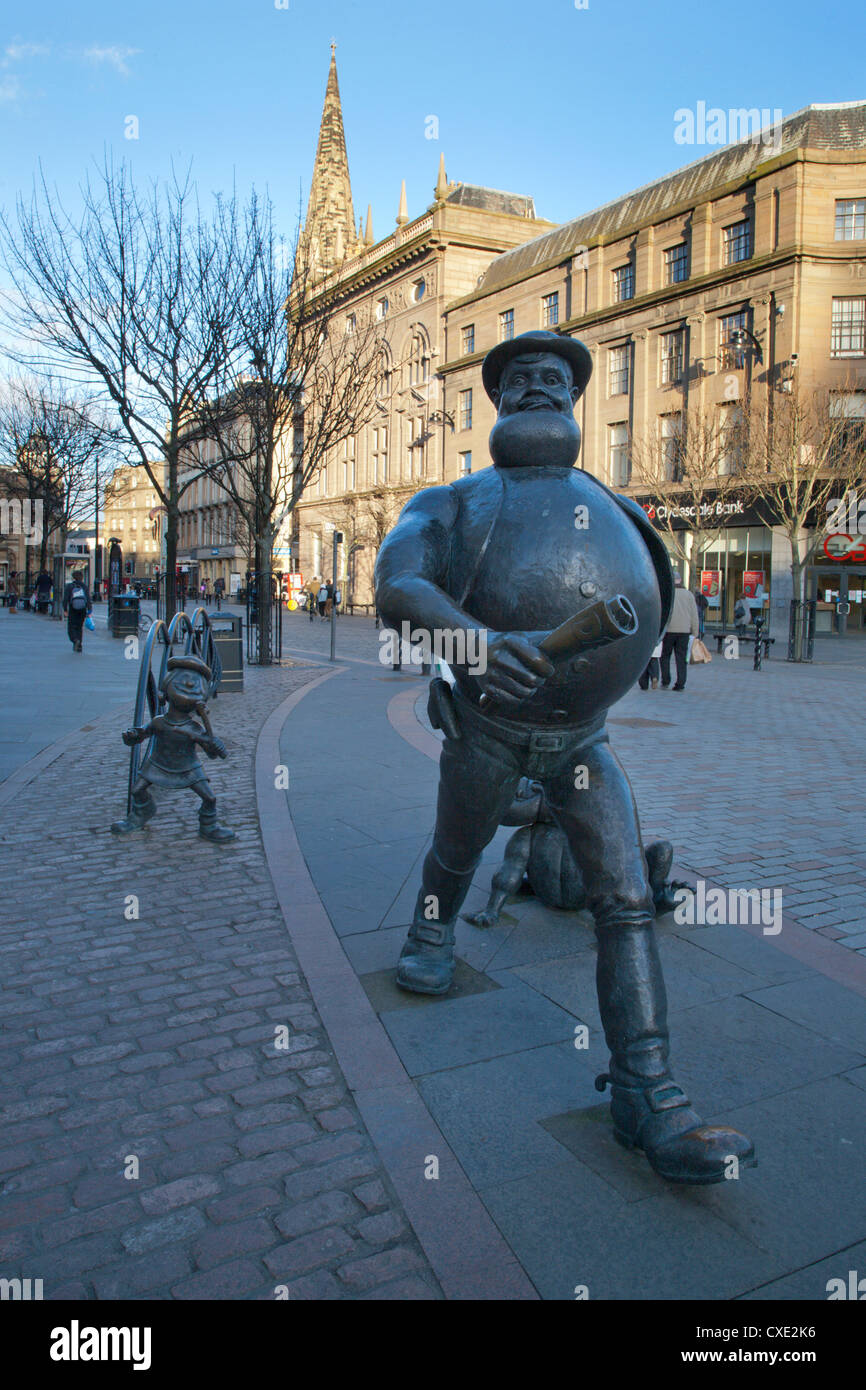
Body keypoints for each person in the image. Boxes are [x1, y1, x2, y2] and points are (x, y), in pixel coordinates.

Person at [375, 328, 753, 1185]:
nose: (542, 387)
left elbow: (650, 597)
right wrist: (473, 644)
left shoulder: (616, 506)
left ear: (576, 402)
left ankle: (647, 1093)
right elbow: (397, 587)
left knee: (623, 899)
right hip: (489, 727)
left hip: (585, 739)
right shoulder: (452, 500)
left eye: (557, 379)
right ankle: (430, 930)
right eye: (523, 379)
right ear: (499, 400)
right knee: (457, 849)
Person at [660, 574, 699, 691]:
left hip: (669, 630)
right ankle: (680, 683)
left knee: (665, 656)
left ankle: (666, 680)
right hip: (684, 631)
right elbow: (694, 614)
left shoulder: (668, 594)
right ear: (680, 580)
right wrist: (695, 631)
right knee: (681, 658)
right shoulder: (689, 595)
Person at [62, 568, 92, 652]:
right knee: (79, 627)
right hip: (82, 609)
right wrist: (89, 610)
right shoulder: (84, 586)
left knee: (71, 626)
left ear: (73, 578)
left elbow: (65, 599)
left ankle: (75, 640)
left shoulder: (70, 586)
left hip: (73, 608)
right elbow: (88, 599)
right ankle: (79, 646)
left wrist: (65, 609)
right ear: (81, 578)